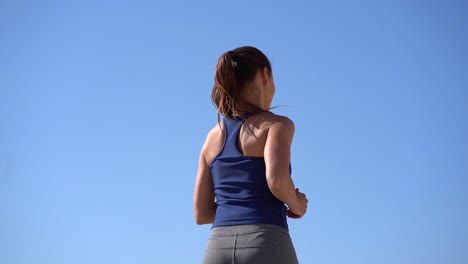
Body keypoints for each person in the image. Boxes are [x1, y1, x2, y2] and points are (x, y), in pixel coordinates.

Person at [193, 46, 309, 264]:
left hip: (217, 248)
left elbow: (201, 213)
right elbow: (276, 180)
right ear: (265, 74)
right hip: (266, 241)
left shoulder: (211, 137)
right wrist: (296, 204)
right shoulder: (276, 125)